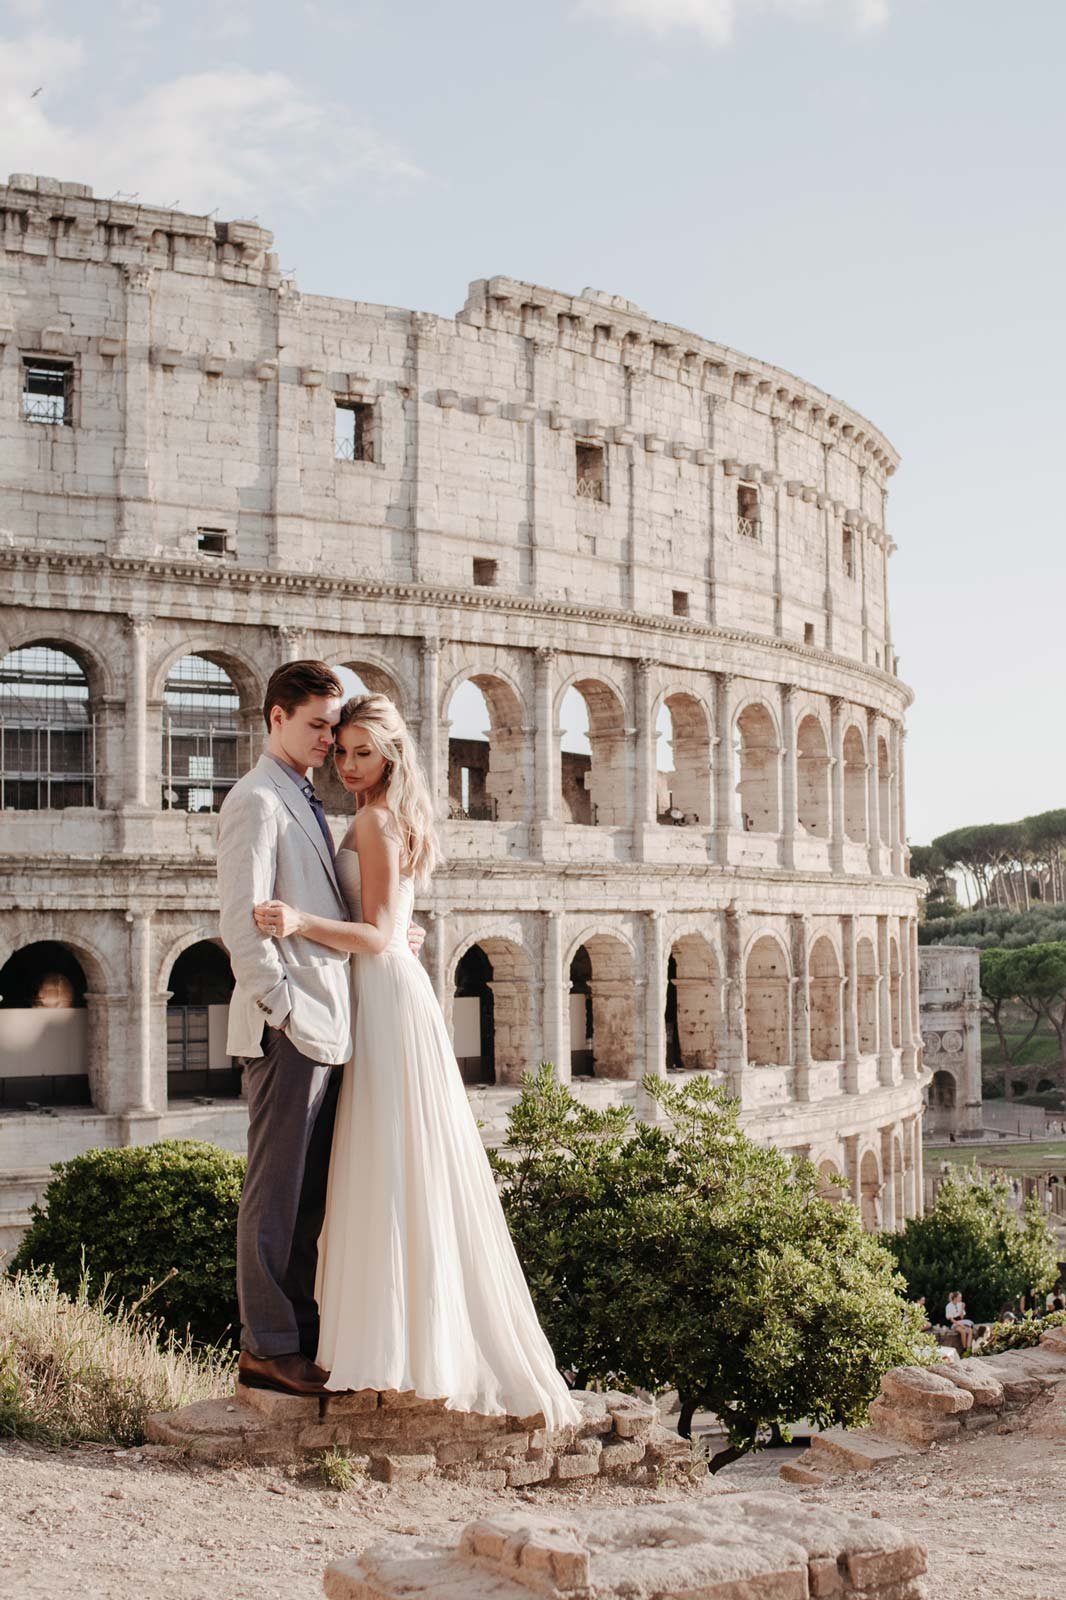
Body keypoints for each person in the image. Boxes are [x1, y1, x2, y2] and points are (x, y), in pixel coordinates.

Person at [253, 694, 579, 1428]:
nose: (348, 763)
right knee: (394, 1167)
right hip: (386, 991)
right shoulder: (390, 817)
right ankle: (403, 1346)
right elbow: (393, 926)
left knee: (388, 1166)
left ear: (393, 756)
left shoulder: (372, 819)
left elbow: (374, 934)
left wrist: (299, 920)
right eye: (341, 750)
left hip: (381, 991)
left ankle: (397, 1350)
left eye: (363, 751)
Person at [217, 661, 424, 1398]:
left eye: (334, 732)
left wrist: (396, 933)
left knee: (306, 1197)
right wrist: (285, 1010)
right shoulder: (258, 800)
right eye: (315, 728)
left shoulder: (305, 796)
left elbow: (346, 905)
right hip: (295, 1025)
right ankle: (267, 1347)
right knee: (274, 1193)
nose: (327, 744)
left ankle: (294, 1340)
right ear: (275, 717)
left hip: (328, 1022)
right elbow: (241, 924)